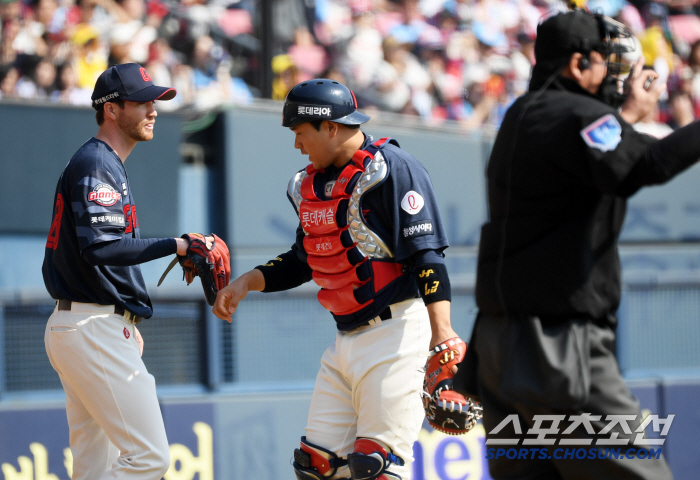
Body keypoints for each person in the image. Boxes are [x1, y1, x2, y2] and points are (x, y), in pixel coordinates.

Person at [453, 9, 700, 479]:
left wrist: (624, 116)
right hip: (555, 346)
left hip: (499, 345)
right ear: (577, 65)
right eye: (605, 61)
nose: (614, 72)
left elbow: (593, 152)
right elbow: (640, 165)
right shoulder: (574, 116)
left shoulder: (524, 114)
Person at [212, 79, 462, 480]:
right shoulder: (311, 184)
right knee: (317, 467)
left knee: (375, 467)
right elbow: (303, 259)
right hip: (345, 341)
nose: (296, 145)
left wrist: (443, 334)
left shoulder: (391, 168)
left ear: (330, 126)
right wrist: (247, 281)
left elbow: (427, 256)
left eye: (300, 133)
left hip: (396, 335)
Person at [42, 63, 216, 480]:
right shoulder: (96, 163)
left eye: (154, 101)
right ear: (112, 110)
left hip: (86, 321)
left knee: (94, 467)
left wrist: (123, 311)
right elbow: (102, 247)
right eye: (141, 101)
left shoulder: (103, 162)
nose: (153, 109)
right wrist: (176, 245)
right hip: (91, 325)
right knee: (149, 457)